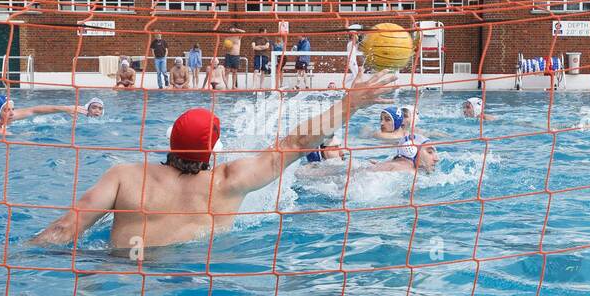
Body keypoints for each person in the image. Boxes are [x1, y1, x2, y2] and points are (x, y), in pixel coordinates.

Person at [32, 71, 398, 251]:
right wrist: (351, 103)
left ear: (170, 140)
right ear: (213, 150)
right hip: (197, 280)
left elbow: (64, 231)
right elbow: (297, 142)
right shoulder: (230, 181)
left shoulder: (125, 177)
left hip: (118, 275)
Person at [0, 95, 103, 137]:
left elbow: (35, 110)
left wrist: (64, 108)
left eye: (13, 109)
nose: (12, 113)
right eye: (7, 110)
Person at [366, 134, 440, 174]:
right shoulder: (409, 172)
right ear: (411, 150)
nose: (437, 159)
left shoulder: (389, 164)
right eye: (430, 152)